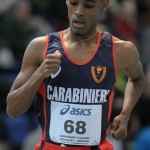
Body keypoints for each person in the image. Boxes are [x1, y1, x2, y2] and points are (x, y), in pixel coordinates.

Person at [6, 0, 145, 150]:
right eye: (73, 3)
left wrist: (125, 113)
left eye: (89, 6)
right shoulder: (40, 47)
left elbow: (137, 79)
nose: (79, 11)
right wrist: (39, 74)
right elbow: (13, 110)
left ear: (103, 5)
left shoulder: (121, 50)